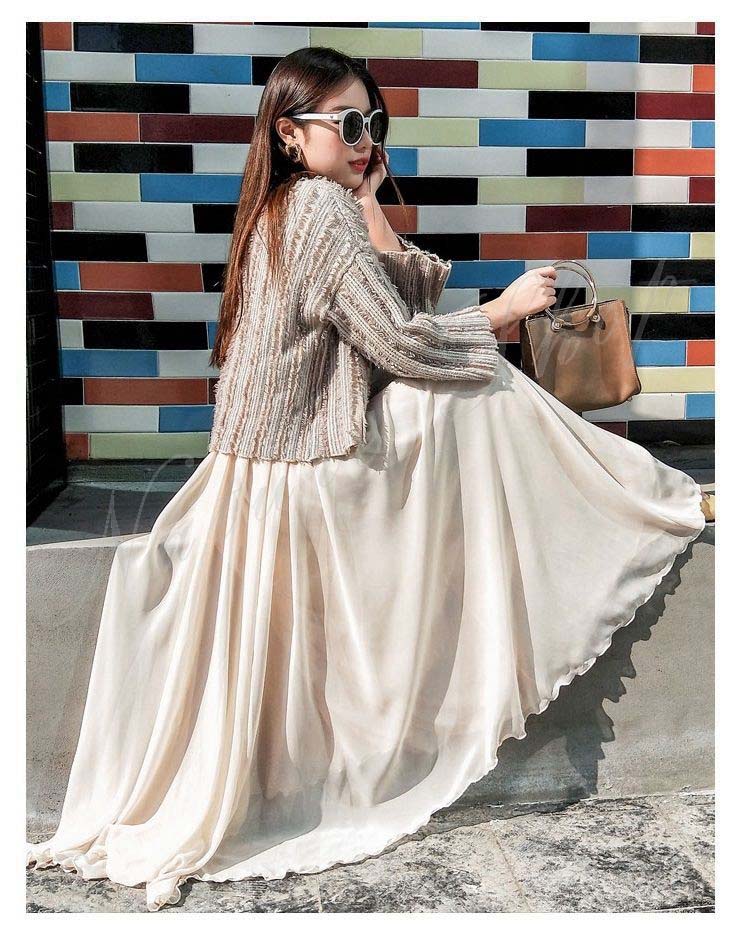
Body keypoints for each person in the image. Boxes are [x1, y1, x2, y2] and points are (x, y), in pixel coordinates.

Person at [26, 47, 708, 911]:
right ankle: (639, 501)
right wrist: (502, 313)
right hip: (299, 473)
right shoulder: (313, 208)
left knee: (470, 384)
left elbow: (389, 308)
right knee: (479, 384)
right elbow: (400, 342)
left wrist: (370, 197)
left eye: (374, 124)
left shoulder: (299, 205)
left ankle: (633, 495)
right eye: (347, 123)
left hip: (271, 467)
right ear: (289, 133)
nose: (364, 139)